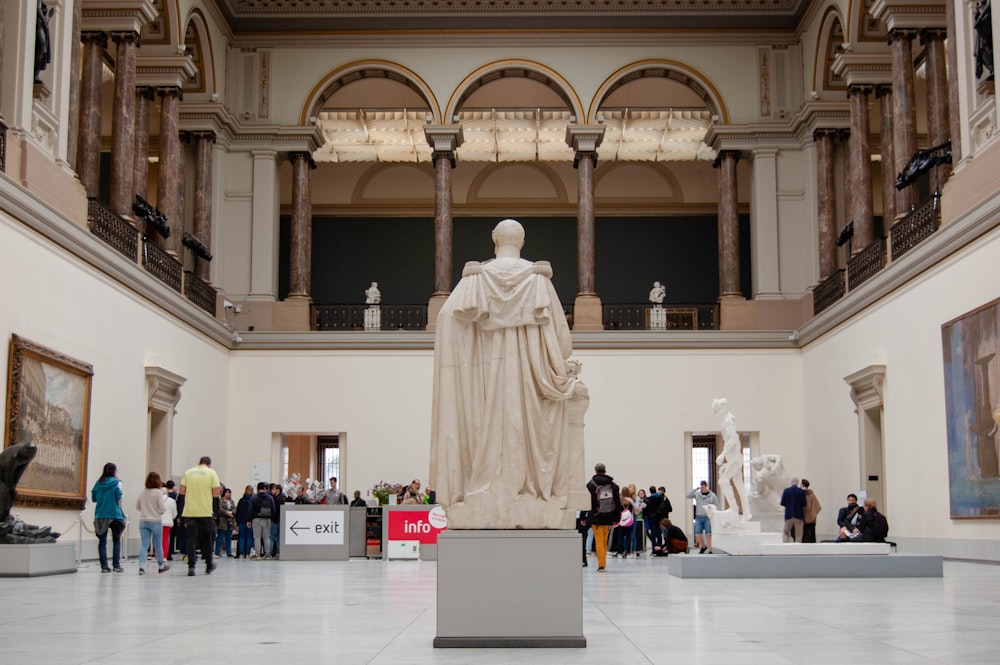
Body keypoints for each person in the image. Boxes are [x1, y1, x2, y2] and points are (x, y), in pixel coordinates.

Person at [430, 218, 589, 529]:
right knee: (524, 430)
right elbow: (562, 340)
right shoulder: (538, 279)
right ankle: (529, 490)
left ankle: (486, 488)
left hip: (485, 381)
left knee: (491, 427)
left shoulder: (474, 279)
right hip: (530, 382)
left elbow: (448, 318)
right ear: (522, 241)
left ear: (494, 240)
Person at [179, 456, 221, 576]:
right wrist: (215, 511)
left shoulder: (188, 472)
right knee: (207, 539)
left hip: (190, 511)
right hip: (205, 512)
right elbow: (216, 493)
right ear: (209, 464)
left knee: (191, 539)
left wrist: (181, 511)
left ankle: (191, 567)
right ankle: (209, 565)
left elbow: (181, 492)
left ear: (198, 463)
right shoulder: (211, 473)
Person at [713, 398, 751, 521]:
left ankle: (734, 508)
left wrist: (722, 455)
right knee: (739, 484)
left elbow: (733, 439)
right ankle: (747, 512)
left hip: (734, 458)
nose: (717, 413)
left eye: (717, 410)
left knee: (723, 481)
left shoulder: (728, 420)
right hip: (733, 458)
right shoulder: (726, 420)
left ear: (722, 408)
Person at [91, 462, 126, 573]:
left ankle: (104, 566)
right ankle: (116, 564)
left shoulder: (98, 483)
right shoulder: (117, 483)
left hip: (101, 515)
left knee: (102, 542)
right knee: (116, 540)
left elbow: (94, 498)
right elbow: (119, 499)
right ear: (114, 471)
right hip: (115, 514)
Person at [586, 463, 621, 571]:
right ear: (605, 471)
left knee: (598, 540)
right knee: (604, 540)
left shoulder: (590, 485)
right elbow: (618, 503)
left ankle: (601, 564)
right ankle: (603, 562)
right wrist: (617, 518)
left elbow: (586, 502)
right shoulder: (614, 486)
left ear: (595, 471)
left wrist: (583, 517)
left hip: (595, 516)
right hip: (609, 516)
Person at [135, 471, 169, 575]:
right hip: (155, 520)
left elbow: (138, 507)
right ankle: (161, 565)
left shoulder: (143, 492)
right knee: (158, 544)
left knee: (144, 544)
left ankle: (141, 566)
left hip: (143, 520)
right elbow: (163, 508)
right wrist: (159, 512)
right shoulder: (158, 492)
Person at [686, 481, 720, 554]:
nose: (702, 488)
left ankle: (710, 549)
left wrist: (715, 515)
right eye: (701, 486)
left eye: (703, 486)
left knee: (708, 534)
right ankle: (703, 546)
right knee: (697, 534)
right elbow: (688, 495)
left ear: (706, 486)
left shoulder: (712, 496)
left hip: (707, 517)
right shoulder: (697, 494)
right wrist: (695, 489)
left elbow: (717, 506)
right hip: (698, 517)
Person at [249, 481, 276, 559]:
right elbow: (273, 509)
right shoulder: (270, 498)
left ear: (257, 489)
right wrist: (272, 519)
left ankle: (258, 554)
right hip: (267, 519)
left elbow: (250, 509)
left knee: (257, 537)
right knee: (267, 537)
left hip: (256, 519)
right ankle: (268, 554)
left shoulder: (254, 497)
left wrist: (249, 520)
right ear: (265, 488)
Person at [780, 477, 806, 543]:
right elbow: (804, 504)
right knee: (799, 534)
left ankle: (786, 546)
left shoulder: (786, 491)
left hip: (789, 515)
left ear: (791, 482)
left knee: (786, 532)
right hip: (799, 515)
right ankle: (797, 548)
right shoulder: (801, 492)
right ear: (797, 483)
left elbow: (782, 503)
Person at [214, 487, 236, 557]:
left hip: (230, 521)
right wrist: (226, 513)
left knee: (228, 537)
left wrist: (232, 512)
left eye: (229, 493)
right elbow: (220, 509)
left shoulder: (231, 501)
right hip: (222, 521)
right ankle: (217, 551)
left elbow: (234, 508)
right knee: (220, 537)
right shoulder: (221, 501)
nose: (228, 494)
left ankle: (229, 552)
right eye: (227, 492)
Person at [616, 485, 636, 559]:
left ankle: (620, 553)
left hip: (621, 521)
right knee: (628, 537)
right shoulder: (631, 500)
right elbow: (635, 509)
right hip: (629, 522)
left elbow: (617, 510)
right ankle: (628, 552)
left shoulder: (619, 500)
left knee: (620, 537)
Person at [235, 485, 254, 558]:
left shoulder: (241, 500)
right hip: (250, 521)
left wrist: (237, 521)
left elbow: (237, 511)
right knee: (249, 537)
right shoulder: (253, 500)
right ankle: (248, 553)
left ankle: (241, 554)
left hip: (241, 521)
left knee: (241, 538)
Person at [801, 479, 822, 543]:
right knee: (811, 536)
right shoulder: (812, 494)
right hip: (812, 518)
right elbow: (817, 506)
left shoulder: (800, 494)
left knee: (804, 536)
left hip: (803, 518)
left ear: (802, 485)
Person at [269, 483, 286, 558]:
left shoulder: (277, 499)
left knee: (272, 536)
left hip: (276, 520)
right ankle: (278, 552)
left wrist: (272, 519)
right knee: (277, 537)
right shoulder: (282, 498)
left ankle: (269, 552)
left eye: (274, 489)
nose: (272, 490)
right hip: (279, 520)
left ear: (278, 490)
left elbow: (275, 511)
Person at [161, 485, 177, 562]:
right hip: (167, 522)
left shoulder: (158, 500)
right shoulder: (172, 501)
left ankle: (157, 555)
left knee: (157, 540)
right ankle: (164, 556)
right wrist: (172, 518)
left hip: (158, 522)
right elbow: (174, 513)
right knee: (165, 539)